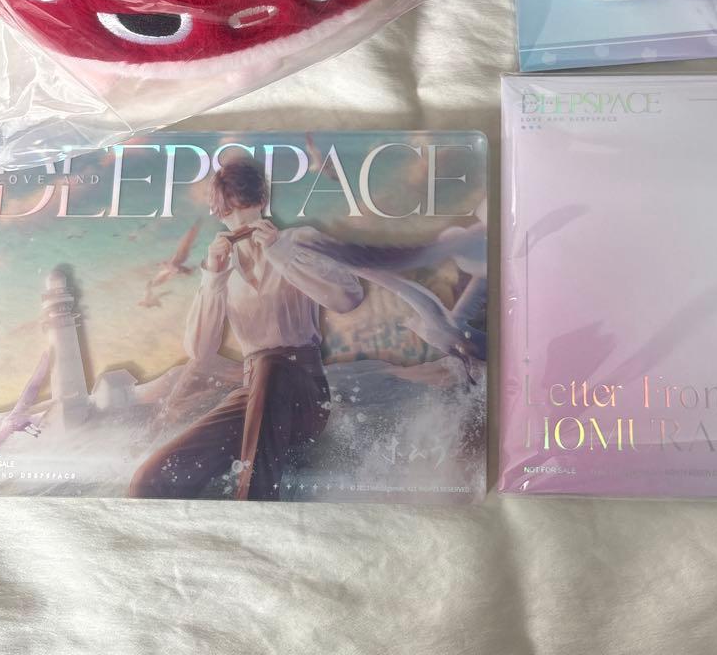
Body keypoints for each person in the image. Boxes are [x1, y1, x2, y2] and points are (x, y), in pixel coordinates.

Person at [129, 154, 481, 501]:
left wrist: (280, 253)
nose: (238, 218)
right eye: (228, 211)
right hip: (254, 391)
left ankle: (255, 508)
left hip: (304, 387)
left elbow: (348, 297)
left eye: (244, 206)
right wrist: (214, 277)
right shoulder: (223, 267)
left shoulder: (297, 241)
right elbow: (199, 351)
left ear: (261, 202)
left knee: (271, 366)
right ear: (219, 213)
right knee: (150, 479)